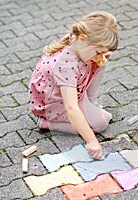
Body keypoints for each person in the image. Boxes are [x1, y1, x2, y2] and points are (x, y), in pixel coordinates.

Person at [28, 11, 119, 159]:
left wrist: (101, 57)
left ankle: (87, 103)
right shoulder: (66, 65)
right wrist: (91, 141)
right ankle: (47, 123)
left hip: (73, 93)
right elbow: (71, 107)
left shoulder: (78, 43)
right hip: (54, 105)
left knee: (101, 64)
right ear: (83, 38)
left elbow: (97, 57)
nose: (100, 56)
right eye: (98, 51)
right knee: (101, 123)